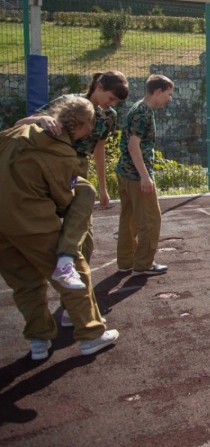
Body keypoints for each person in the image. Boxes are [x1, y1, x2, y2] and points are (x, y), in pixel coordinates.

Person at [0, 96, 119, 359]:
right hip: (30, 222)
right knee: (75, 273)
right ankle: (91, 334)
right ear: (84, 126)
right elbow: (64, 200)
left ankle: (39, 340)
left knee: (25, 284)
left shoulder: (20, 130)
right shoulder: (61, 152)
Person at [17, 71, 130, 325]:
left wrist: (103, 187)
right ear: (99, 86)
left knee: (84, 238)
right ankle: (41, 316)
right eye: (110, 97)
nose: (111, 104)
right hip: (50, 169)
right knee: (43, 234)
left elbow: (99, 150)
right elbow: (20, 125)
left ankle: (73, 306)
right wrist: (42, 118)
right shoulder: (69, 103)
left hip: (78, 170)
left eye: (115, 101)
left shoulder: (108, 116)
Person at [115, 74, 174, 276]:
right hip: (136, 175)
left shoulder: (137, 107)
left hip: (125, 172)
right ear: (157, 91)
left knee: (129, 220)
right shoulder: (143, 112)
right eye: (168, 94)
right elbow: (134, 146)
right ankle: (144, 264)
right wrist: (144, 176)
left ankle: (126, 261)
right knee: (150, 220)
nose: (169, 99)